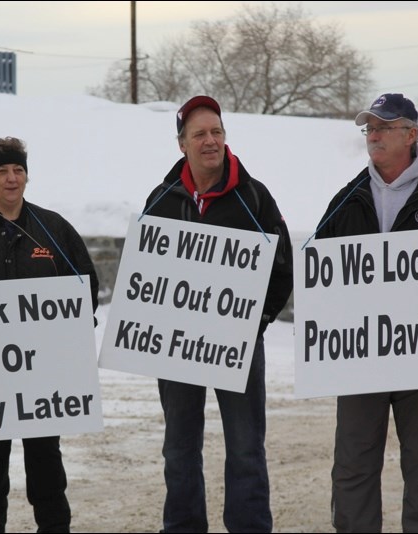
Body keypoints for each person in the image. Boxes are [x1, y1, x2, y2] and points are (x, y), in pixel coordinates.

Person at [314, 93, 418, 533]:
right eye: (369, 127)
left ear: (412, 134)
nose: (374, 135)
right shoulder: (345, 201)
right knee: (352, 464)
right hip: (359, 359)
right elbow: (321, 278)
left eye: (384, 127)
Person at [141, 95, 293, 532]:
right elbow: (145, 273)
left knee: (246, 446)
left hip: (239, 344)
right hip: (177, 344)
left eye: (217, 133)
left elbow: (282, 266)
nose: (210, 142)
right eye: (199, 135)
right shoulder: (163, 198)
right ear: (182, 145)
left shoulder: (254, 196)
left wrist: (256, 320)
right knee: (179, 447)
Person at [0, 137, 99, 533]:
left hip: (43, 377)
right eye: (1, 172)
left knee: (46, 459)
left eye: (18, 170)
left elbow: (85, 290)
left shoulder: (54, 228)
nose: (12, 179)